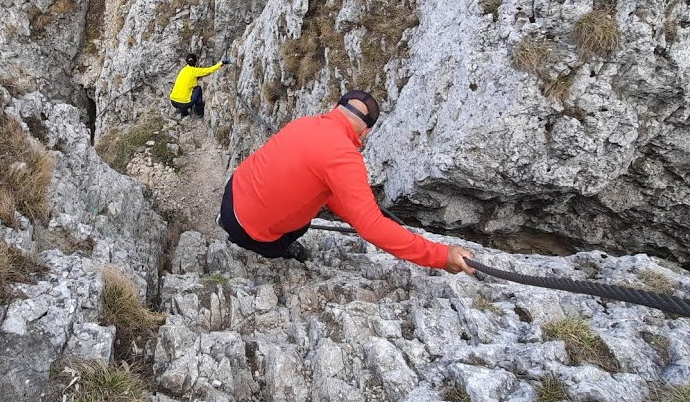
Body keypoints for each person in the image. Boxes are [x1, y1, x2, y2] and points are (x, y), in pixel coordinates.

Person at [218, 90, 475, 273]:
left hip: (232, 195)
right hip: (254, 233)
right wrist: (441, 255)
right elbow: (371, 227)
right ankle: (261, 245)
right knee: (300, 227)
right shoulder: (344, 155)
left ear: (336, 107)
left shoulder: (304, 123)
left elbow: (321, 185)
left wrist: (355, 213)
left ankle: (233, 226)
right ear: (366, 131)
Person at [169, 53, 229, 118]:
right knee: (198, 88)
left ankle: (184, 113)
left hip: (173, 101)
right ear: (196, 62)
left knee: (184, 92)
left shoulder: (183, 70)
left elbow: (191, 79)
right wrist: (221, 63)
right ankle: (199, 112)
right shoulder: (194, 71)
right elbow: (209, 70)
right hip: (184, 103)